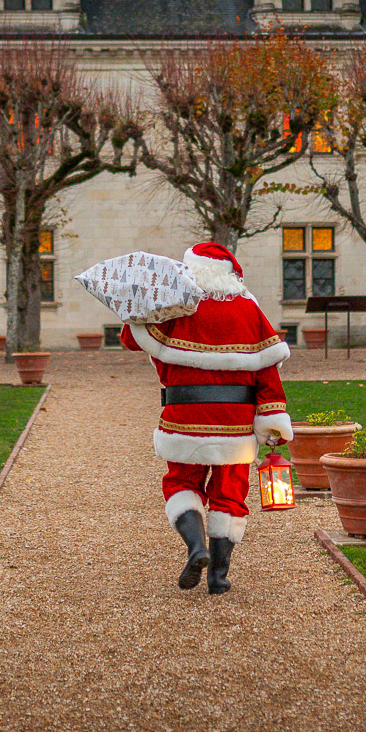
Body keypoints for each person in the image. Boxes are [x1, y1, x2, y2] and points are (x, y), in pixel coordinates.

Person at [121, 242, 292, 594]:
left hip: (183, 416)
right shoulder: (248, 309)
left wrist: (139, 301)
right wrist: (273, 419)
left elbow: (130, 339)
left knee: (181, 482)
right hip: (236, 421)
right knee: (230, 493)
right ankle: (218, 577)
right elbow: (268, 374)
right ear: (232, 275)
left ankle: (196, 547)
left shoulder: (172, 306)